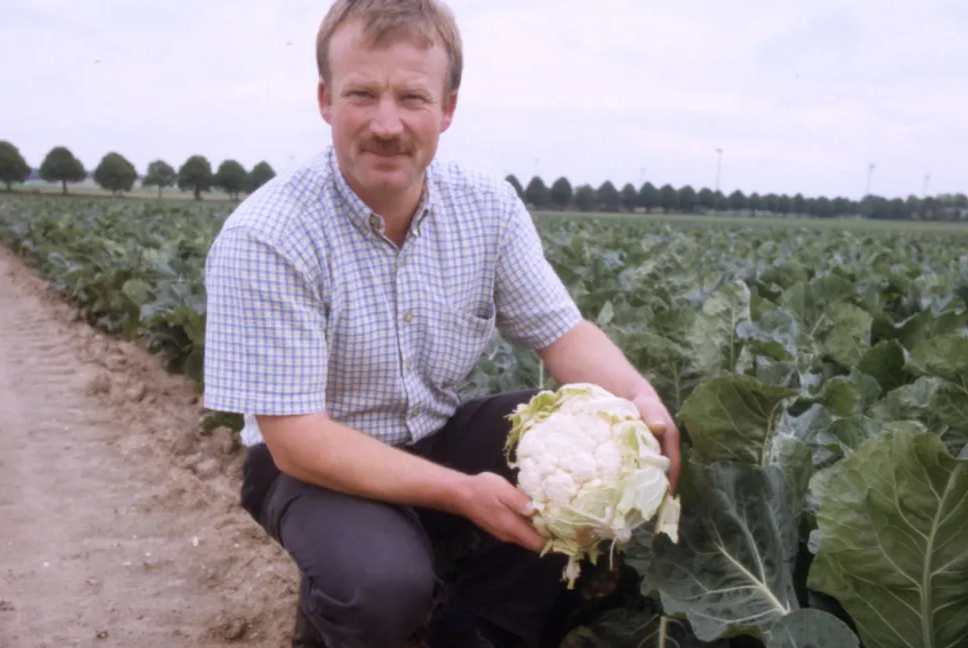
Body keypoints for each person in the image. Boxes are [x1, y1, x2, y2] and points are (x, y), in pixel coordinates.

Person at [201, 1, 681, 646]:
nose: (387, 123)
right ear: (324, 100)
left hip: (435, 434)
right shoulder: (267, 236)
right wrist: (462, 494)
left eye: (413, 97)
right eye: (362, 94)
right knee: (381, 587)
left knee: (588, 465)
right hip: (312, 468)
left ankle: (472, 631)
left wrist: (641, 401)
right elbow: (300, 442)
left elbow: (562, 333)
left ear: (447, 109)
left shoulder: (487, 207)